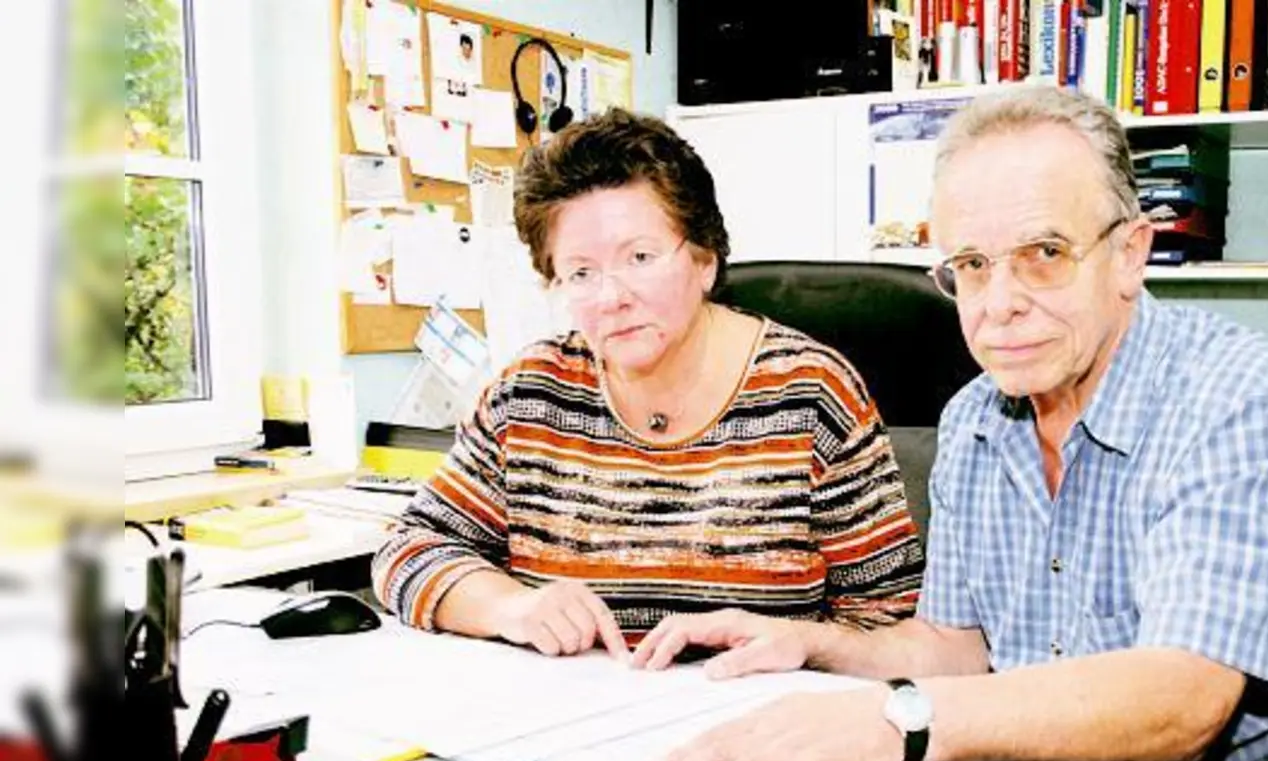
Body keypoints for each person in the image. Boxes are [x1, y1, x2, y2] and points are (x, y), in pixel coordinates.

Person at [632, 86, 1268, 761]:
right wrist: (821, 646)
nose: (999, 306)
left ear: (1130, 254)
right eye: (971, 265)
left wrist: (897, 718)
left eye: (1044, 253)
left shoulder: (1240, 399)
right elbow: (956, 647)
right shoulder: (972, 420)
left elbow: (1181, 697)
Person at [372, 108, 925, 659]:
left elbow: (894, 625)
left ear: (704, 260)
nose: (612, 296)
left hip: (752, 724)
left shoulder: (810, 396)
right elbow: (409, 551)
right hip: (569, 727)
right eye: (581, 272)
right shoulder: (531, 395)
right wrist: (509, 607)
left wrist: (806, 643)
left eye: (640, 257)